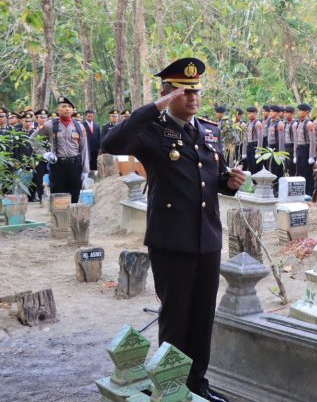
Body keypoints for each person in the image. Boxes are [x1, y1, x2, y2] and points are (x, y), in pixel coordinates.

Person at [101, 57, 245, 402]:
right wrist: (154, 107)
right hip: (172, 241)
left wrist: (231, 182)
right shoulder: (150, 132)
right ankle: (170, 385)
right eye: (184, 91)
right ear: (167, 94)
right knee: (176, 317)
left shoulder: (209, 130)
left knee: (201, 317)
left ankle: (197, 384)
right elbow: (110, 143)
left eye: (196, 91)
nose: (193, 98)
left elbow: (214, 178)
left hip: (207, 238)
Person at [31, 96, 90, 203]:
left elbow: (84, 149)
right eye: (63, 106)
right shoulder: (50, 125)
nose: (67, 109)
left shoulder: (79, 126)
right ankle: (58, 219)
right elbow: (33, 139)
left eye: (69, 107)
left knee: (74, 198)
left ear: (73, 110)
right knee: (58, 199)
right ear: (58, 110)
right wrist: (45, 154)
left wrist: (85, 171)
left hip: (75, 166)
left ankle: (71, 219)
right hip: (58, 166)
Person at [293, 103, 317, 197]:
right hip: (300, 149)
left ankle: (309, 193)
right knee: (300, 171)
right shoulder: (299, 123)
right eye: (298, 110)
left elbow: (313, 141)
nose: (299, 112)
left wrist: (311, 156)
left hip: (306, 150)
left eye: (300, 110)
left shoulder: (309, 124)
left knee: (307, 173)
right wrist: (295, 154)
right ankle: (302, 192)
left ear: (306, 112)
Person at [244, 106, 263, 173]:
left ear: (255, 113)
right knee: (250, 166)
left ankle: (256, 182)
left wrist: (258, 151)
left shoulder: (258, 124)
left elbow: (260, 138)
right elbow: (246, 138)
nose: (249, 115)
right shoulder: (248, 123)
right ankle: (252, 182)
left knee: (256, 166)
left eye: (250, 113)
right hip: (249, 146)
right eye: (248, 113)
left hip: (255, 145)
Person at [282, 106, 296, 176]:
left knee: (292, 167)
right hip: (286, 147)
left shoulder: (294, 124)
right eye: (284, 113)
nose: (285, 114)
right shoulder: (286, 124)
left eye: (287, 113)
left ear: (292, 113)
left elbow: (296, 140)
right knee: (286, 166)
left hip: (292, 147)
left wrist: (295, 154)